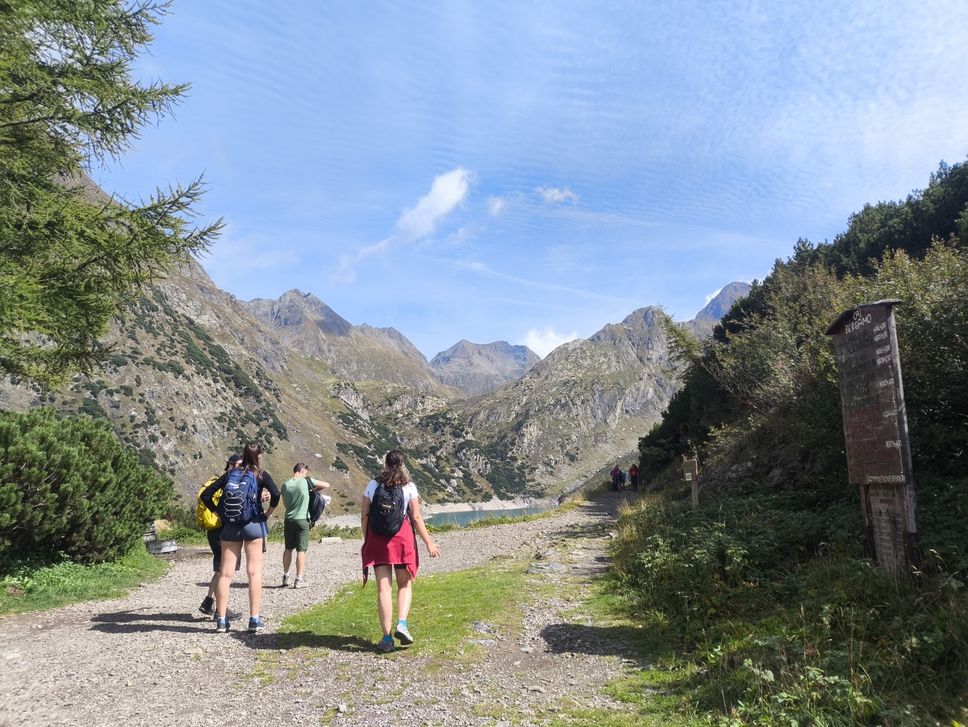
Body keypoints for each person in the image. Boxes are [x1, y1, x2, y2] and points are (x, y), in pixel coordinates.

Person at [360, 450, 440, 653]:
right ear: (402, 464)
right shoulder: (409, 487)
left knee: (383, 589)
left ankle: (387, 639)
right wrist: (429, 543)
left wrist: (367, 538)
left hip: (378, 541)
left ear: (385, 464)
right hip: (402, 538)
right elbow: (416, 518)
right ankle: (402, 624)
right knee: (404, 585)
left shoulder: (372, 485)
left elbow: (364, 516)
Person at [201, 441, 280, 633]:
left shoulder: (230, 474)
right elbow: (276, 494)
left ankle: (221, 620)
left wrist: (219, 513)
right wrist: (267, 514)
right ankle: (254, 619)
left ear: (242, 455)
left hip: (230, 527)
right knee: (254, 573)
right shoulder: (261, 474)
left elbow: (206, 495)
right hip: (253, 524)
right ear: (259, 456)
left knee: (226, 573)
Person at [198, 453, 243, 618]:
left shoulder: (222, 481)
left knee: (219, 570)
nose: (243, 467)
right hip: (222, 531)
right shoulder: (228, 482)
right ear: (232, 465)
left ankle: (208, 602)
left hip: (213, 531)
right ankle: (220, 610)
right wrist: (220, 513)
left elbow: (205, 496)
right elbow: (206, 496)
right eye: (240, 464)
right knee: (224, 571)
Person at [280, 462, 330, 588]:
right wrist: (311, 489)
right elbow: (326, 485)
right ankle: (298, 579)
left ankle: (285, 577)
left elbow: (285, 504)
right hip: (303, 519)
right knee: (301, 550)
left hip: (289, 519)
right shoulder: (305, 481)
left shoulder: (285, 485)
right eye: (305, 473)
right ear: (302, 471)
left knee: (288, 549)